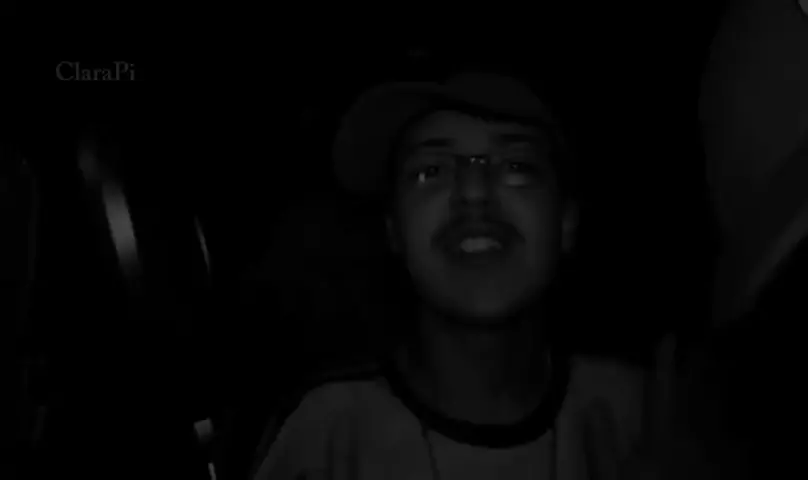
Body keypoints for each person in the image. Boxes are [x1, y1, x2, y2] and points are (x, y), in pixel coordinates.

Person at [247, 70, 654, 480]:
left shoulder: (646, 415)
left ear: (567, 221)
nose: (474, 193)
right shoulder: (327, 436)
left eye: (517, 166)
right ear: (393, 229)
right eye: (430, 171)